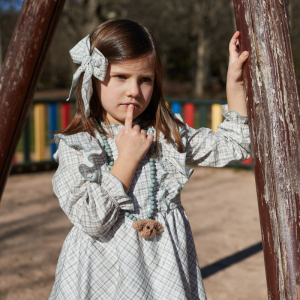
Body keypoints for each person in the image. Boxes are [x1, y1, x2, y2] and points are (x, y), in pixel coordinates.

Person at [49, 19, 250, 300]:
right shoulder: (80, 145)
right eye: (121, 76)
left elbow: (236, 145)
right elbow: (91, 219)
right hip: (102, 276)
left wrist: (235, 83)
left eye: (145, 79)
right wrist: (126, 160)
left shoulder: (166, 135)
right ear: (93, 76)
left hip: (164, 272)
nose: (134, 90)